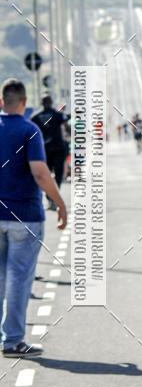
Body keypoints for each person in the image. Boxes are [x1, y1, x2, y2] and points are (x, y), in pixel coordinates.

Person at [0, 80, 67, 357]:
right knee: (19, 277)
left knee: (1, 275)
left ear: (2, 101)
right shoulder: (29, 130)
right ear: (24, 103)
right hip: (25, 216)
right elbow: (40, 172)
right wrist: (60, 203)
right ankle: (13, 340)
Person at [31, 95, 68, 211]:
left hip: (43, 150)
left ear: (42, 103)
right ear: (51, 102)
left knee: (46, 175)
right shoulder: (57, 114)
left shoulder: (35, 117)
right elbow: (66, 127)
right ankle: (54, 198)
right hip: (57, 148)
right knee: (58, 174)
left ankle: (49, 198)